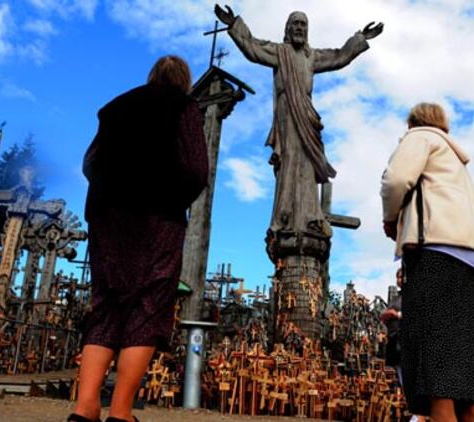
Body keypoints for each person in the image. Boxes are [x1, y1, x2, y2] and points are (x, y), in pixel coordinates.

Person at [68, 56, 208, 422]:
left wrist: (111, 190)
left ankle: (84, 410)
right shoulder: (184, 106)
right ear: (184, 81)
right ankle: (121, 412)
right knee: (148, 305)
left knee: (107, 303)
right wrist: (172, 196)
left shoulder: (115, 108)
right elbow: (196, 170)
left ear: (151, 77)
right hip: (157, 218)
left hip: (106, 216)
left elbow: (89, 162)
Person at [380, 103, 474, 421]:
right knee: (470, 378)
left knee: (438, 372)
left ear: (413, 122)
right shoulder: (457, 162)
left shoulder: (419, 137)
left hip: (436, 252)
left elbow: (395, 181)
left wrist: (391, 220)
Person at [214, 4, 382, 239]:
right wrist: (234, 25)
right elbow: (252, 48)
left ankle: (309, 214)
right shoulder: (278, 52)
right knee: (290, 160)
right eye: (296, 24)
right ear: (288, 28)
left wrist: (361, 38)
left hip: (307, 116)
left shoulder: (312, 56)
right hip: (287, 116)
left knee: (307, 166)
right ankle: (284, 215)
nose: (300, 28)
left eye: (303, 25)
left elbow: (339, 57)